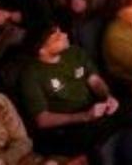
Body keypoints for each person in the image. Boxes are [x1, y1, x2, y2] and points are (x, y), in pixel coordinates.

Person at [16, 24, 126, 156]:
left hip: (95, 109)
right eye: (57, 38)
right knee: (104, 143)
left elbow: (95, 80)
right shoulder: (30, 75)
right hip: (69, 126)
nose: (65, 35)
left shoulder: (74, 52)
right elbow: (42, 119)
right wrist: (84, 116)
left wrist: (107, 97)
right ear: (42, 50)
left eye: (61, 32)